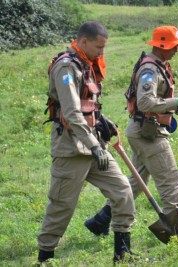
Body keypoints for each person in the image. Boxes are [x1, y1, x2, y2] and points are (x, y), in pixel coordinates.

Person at [37, 21, 135, 263]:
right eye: (98, 47)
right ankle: (45, 257)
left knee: (123, 191)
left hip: (94, 146)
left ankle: (122, 253)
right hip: (72, 149)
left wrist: (102, 120)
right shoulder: (66, 67)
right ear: (82, 42)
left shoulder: (86, 64)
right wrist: (93, 145)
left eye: (103, 48)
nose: (101, 53)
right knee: (62, 206)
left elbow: (87, 104)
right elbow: (71, 112)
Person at [84, 25, 178, 236]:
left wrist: (172, 106)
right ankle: (172, 230)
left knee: (135, 182)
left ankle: (100, 220)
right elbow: (145, 103)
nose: (176, 50)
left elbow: (154, 102)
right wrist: (176, 100)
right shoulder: (150, 70)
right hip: (148, 134)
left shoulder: (159, 65)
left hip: (144, 130)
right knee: (171, 180)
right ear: (161, 46)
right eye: (173, 46)